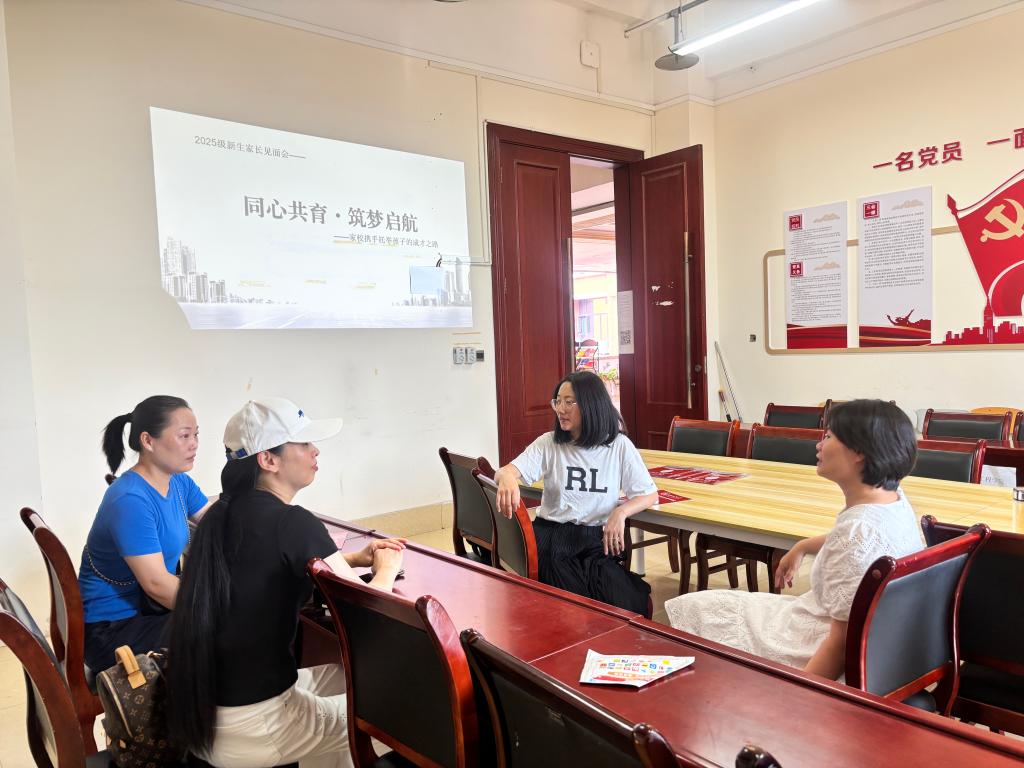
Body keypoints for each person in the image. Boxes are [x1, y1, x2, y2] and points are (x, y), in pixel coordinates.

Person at [166, 397, 405, 768]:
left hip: (206, 718)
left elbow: (262, 565)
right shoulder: (293, 522)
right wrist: (386, 569)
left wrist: (350, 560)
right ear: (268, 460)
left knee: (343, 675)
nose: (315, 451)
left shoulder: (218, 516)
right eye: (304, 443)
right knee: (402, 709)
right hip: (258, 725)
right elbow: (368, 621)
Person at [664, 399, 925, 679]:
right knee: (703, 606)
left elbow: (839, 646)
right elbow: (861, 539)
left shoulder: (855, 534)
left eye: (828, 437)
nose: (819, 445)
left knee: (696, 609)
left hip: (818, 644)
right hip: (870, 641)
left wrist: (798, 694)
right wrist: (802, 546)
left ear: (859, 452)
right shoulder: (893, 501)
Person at [494, 371, 659, 614]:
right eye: (558, 401)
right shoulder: (549, 443)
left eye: (569, 402)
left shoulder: (618, 446)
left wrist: (621, 512)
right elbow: (504, 472)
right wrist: (507, 476)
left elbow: (649, 494)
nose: (560, 409)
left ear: (591, 404)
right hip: (552, 539)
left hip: (594, 542)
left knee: (626, 603)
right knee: (575, 607)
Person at [79, 395, 212, 673]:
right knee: (230, 627)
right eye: (184, 435)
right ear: (148, 441)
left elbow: (214, 521)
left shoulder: (179, 482)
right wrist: (219, 606)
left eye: (196, 434)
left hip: (148, 610)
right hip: (112, 631)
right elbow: (157, 585)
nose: (194, 444)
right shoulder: (130, 499)